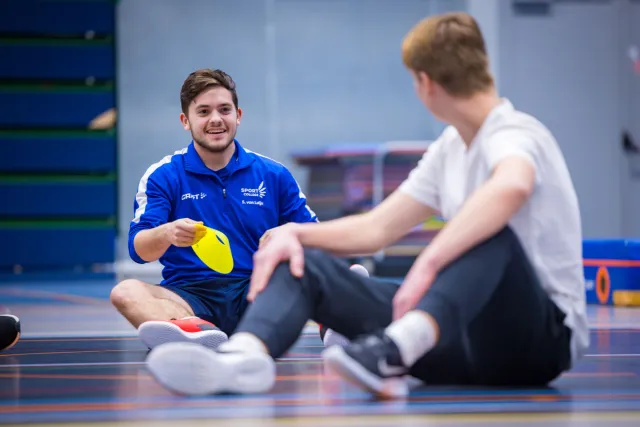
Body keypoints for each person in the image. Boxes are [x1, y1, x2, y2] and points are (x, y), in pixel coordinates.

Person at [145, 12, 589, 398]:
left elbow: (510, 187)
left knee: (490, 233)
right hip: (457, 341)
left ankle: (392, 350)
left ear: (425, 82)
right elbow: (377, 228)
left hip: (536, 344)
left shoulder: (515, 133)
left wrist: (431, 262)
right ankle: (242, 358)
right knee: (304, 262)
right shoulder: (450, 149)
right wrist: (292, 236)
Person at [111, 68, 323, 350]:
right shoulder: (163, 175)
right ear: (185, 121)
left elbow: (318, 237)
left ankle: (332, 330)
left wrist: (288, 232)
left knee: (343, 272)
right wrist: (167, 233)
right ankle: (197, 332)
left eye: (224, 109)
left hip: (257, 291)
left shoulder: (273, 174)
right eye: (203, 112)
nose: (215, 120)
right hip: (188, 294)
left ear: (238, 115)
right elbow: (139, 251)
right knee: (125, 292)